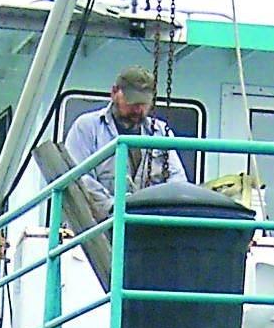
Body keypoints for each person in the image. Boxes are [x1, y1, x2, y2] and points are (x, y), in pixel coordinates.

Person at [62, 65, 189, 218]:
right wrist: (116, 207)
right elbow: (79, 179)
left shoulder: (161, 132)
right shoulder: (87, 127)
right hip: (99, 226)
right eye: (132, 102)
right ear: (114, 92)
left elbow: (177, 181)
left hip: (150, 227)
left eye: (143, 104)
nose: (137, 109)